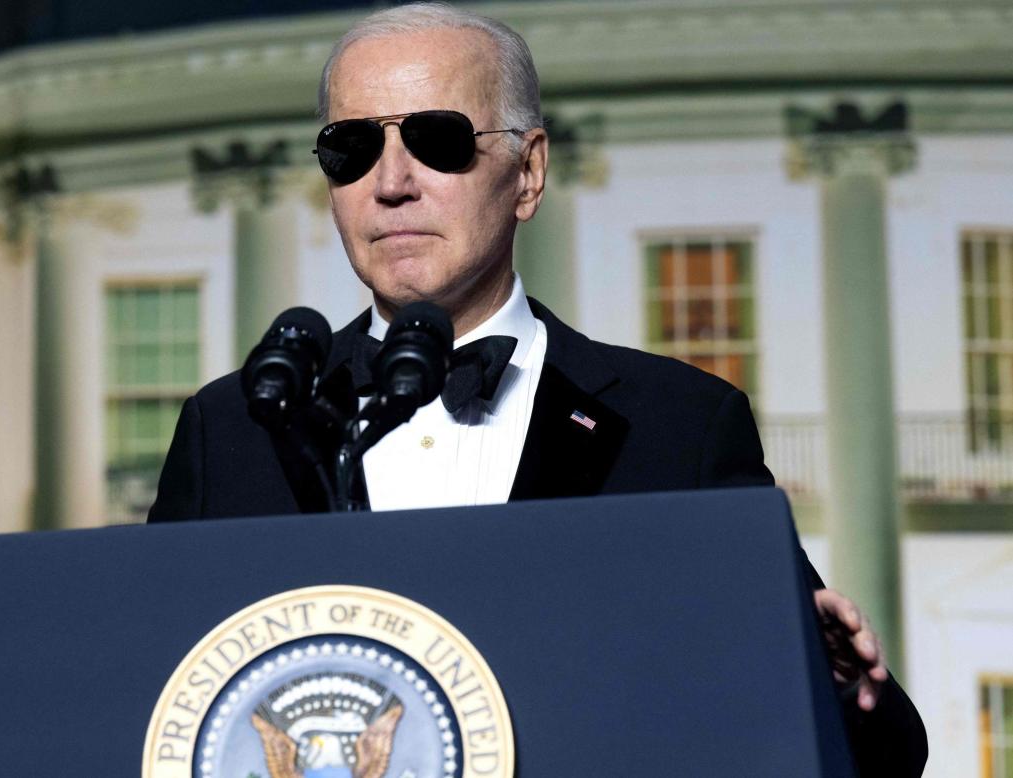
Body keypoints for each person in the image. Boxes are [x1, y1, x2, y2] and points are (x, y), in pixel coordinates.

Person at [149, 3, 927, 773]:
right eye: (350, 147)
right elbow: (147, 701)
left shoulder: (678, 425)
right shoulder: (233, 427)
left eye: (437, 139)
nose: (390, 182)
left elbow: (876, 750)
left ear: (528, 172)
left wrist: (826, 683)